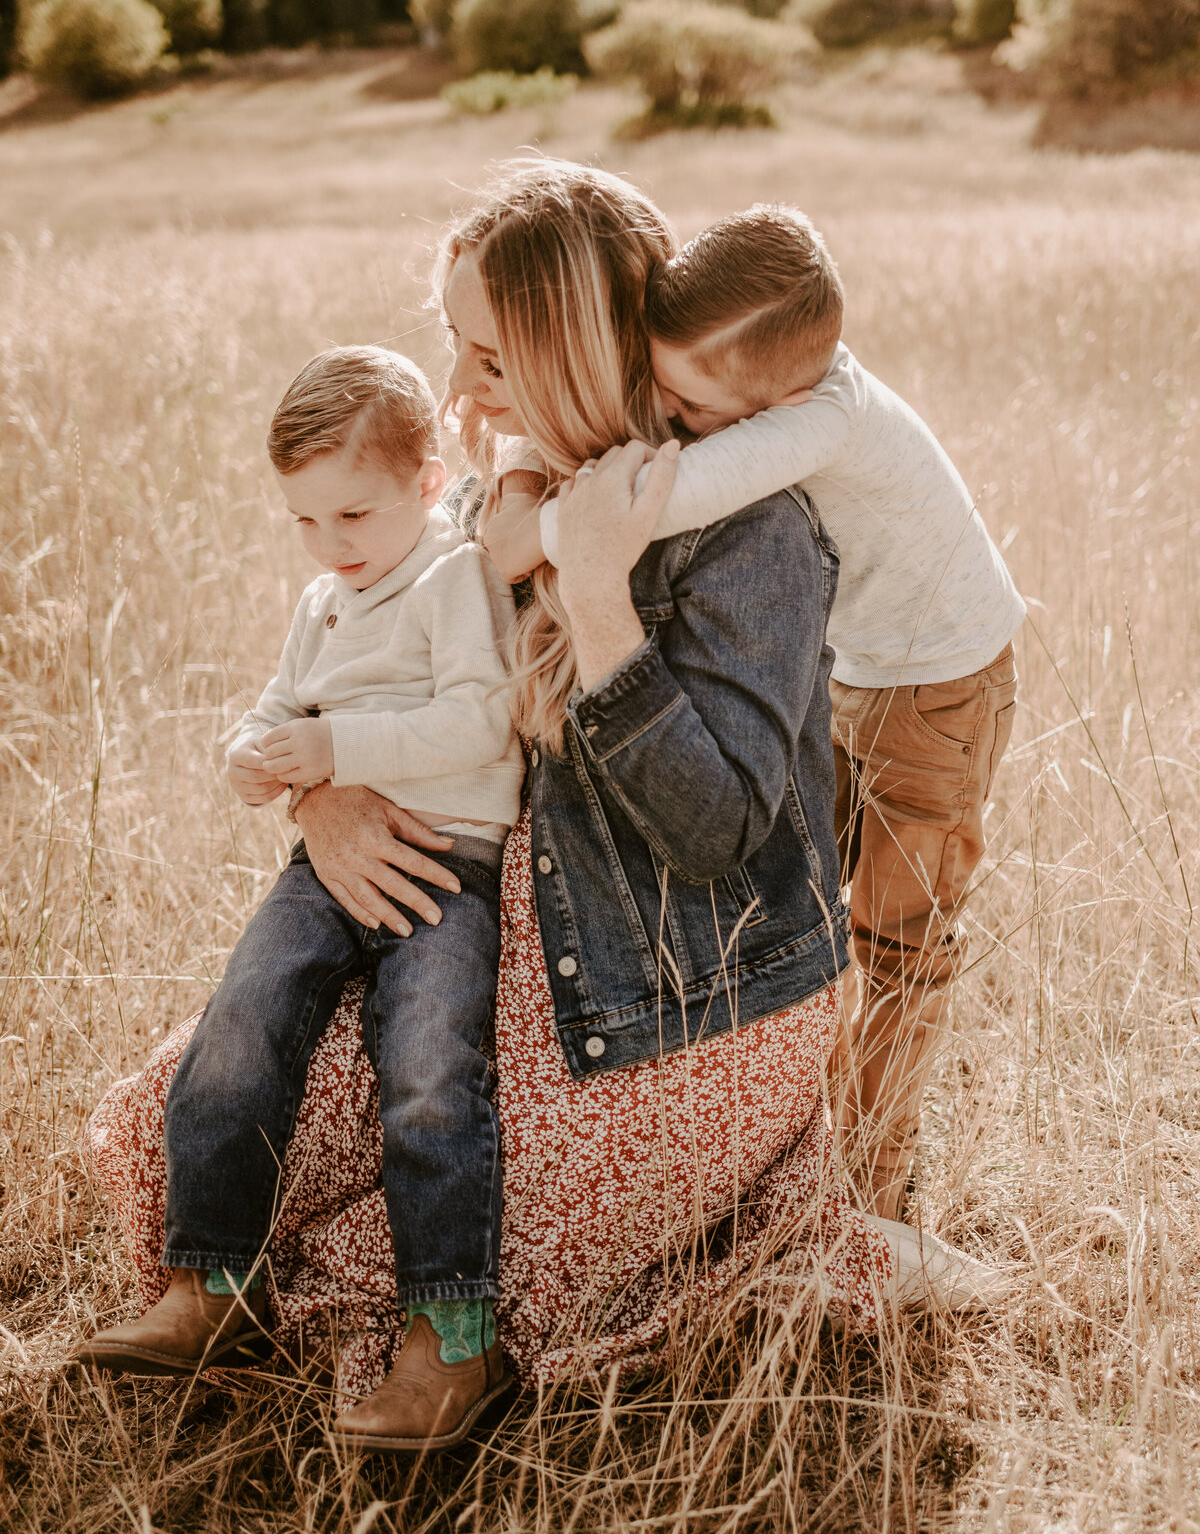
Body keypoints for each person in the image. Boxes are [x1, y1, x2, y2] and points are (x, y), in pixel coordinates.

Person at [85, 164, 1005, 1456]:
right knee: (165, 1131)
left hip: (688, 993)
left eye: (490, 362)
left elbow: (717, 835)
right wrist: (329, 802)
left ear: (571, 354)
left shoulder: (751, 538)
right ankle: (224, 1296)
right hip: (501, 931)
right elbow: (360, 676)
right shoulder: (492, 495)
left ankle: (553, 1306)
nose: (458, 398)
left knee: (425, 1243)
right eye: (453, 352)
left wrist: (598, 590)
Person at [481, 203, 1023, 1221]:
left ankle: (871, 1188)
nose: (668, 416)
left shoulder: (821, 418)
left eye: (689, 404)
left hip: (942, 680)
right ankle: (788, 1150)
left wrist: (516, 535)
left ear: (785, 396)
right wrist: (520, 436)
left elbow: (660, 501)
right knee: (811, 896)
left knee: (900, 938)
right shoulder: (753, 373)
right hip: (855, 667)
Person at [77, 346, 526, 1451]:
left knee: (428, 1067)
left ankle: (453, 1338)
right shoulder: (325, 601)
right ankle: (215, 1284)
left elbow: (484, 720)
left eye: (355, 516)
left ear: (427, 482)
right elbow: (277, 706)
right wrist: (254, 755)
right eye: (306, 524)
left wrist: (337, 746)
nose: (332, 547)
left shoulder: (452, 576)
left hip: (445, 861)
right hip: (322, 872)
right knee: (241, 1028)